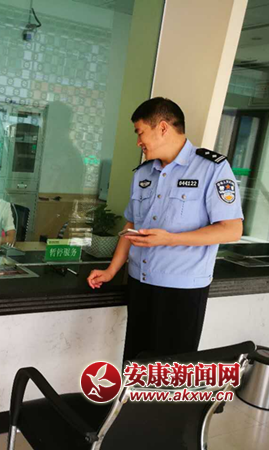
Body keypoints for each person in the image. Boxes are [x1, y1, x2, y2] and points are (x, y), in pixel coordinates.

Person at [87, 97, 243, 361]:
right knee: (136, 365)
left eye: (140, 132)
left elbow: (231, 230)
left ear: (162, 127)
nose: (138, 142)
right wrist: (112, 270)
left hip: (182, 291)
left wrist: (171, 239)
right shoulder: (144, 173)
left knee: (169, 373)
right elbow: (131, 225)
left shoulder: (212, 168)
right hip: (140, 284)